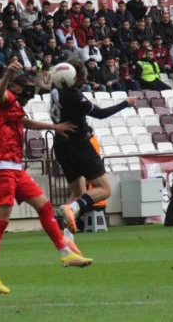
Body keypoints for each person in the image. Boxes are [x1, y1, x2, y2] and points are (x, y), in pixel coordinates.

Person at [0, 62, 92, 295]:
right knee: (1, 221)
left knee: (44, 206)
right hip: (0, 168)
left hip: (15, 168)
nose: (31, 92)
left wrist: (54, 127)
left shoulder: (16, 107)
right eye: (27, 88)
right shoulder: (6, 99)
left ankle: (65, 253)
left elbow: (26, 123)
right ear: (18, 88)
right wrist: (7, 74)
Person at [49, 59, 137, 234]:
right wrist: (126, 103)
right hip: (78, 144)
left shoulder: (55, 88)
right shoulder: (75, 97)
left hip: (60, 144)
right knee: (104, 189)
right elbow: (101, 114)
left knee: (78, 192)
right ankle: (71, 210)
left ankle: (62, 232)